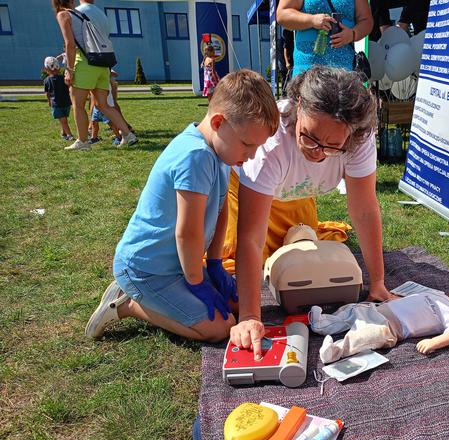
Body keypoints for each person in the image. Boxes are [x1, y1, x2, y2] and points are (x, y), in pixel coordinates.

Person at [84, 70, 279, 342]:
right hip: (147, 269)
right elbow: (187, 232)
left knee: (236, 306)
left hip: (174, 266)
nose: (252, 155)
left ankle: (160, 296)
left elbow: (221, 211)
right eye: (248, 144)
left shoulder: (222, 152)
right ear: (219, 122)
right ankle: (126, 305)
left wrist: (214, 264)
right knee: (219, 328)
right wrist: (197, 282)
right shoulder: (195, 157)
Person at [223, 66, 393, 359]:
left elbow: (364, 209)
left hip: (296, 192)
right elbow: (250, 237)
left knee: (301, 256)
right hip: (245, 191)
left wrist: (377, 282)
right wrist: (251, 316)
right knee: (234, 263)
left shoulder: (360, 139)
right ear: (298, 106)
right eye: (309, 137)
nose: (317, 152)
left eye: (332, 146)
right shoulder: (271, 144)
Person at [310, 286, 449, 363]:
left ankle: (335, 351)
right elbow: (415, 299)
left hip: (390, 327)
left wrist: (434, 342)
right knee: (351, 311)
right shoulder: (442, 296)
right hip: (379, 309)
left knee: (362, 337)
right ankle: (322, 323)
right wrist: (395, 298)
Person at [52, 0, 137, 150]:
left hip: (85, 64)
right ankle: (128, 134)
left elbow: (69, 44)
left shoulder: (63, 15)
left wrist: (69, 69)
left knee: (78, 105)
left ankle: (83, 141)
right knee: (103, 105)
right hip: (102, 64)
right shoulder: (84, 14)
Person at [277, 0, 373, 76]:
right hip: (307, 69)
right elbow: (282, 14)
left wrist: (352, 34)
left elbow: (366, 21)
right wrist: (311, 20)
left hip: (344, 70)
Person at [43, 56, 74, 141]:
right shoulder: (64, 78)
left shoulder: (46, 80)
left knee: (63, 120)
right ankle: (63, 133)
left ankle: (69, 135)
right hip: (67, 103)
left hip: (56, 103)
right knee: (63, 119)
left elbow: (48, 93)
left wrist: (49, 102)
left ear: (46, 69)